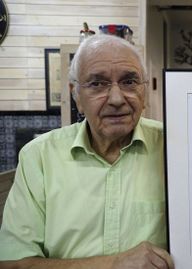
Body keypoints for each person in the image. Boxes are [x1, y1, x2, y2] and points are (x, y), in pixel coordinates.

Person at [0, 34, 173, 269]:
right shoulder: (39, 156)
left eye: (129, 81)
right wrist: (114, 264)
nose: (116, 99)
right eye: (97, 83)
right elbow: (13, 263)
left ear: (144, 92)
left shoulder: (175, 148)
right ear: (76, 96)